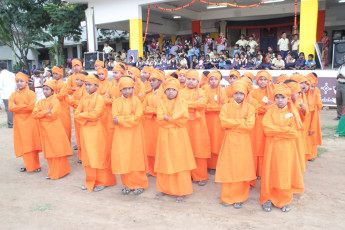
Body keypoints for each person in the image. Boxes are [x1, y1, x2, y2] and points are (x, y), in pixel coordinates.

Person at [260, 83, 304, 213]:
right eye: (277, 97)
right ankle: (267, 198)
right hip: (272, 148)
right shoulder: (270, 111)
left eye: (282, 97)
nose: (280, 100)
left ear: (288, 99)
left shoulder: (293, 112)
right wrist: (284, 131)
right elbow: (267, 130)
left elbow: (294, 132)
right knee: (270, 173)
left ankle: (284, 200)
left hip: (287, 149)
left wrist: (277, 133)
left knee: (285, 174)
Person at [155, 78, 196, 202]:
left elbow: (183, 120)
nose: (171, 92)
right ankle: (164, 188)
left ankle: (181, 191)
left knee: (179, 162)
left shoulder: (182, 102)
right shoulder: (161, 102)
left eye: (173, 90)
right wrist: (173, 121)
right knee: (165, 160)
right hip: (164, 136)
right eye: (168, 90)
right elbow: (160, 119)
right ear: (165, 91)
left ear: (178, 91)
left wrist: (170, 120)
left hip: (178, 137)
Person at [216, 80, 256, 209]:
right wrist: (241, 122)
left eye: (241, 93)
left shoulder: (250, 108)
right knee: (229, 167)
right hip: (229, 142)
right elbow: (223, 123)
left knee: (241, 168)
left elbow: (250, 126)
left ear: (245, 95)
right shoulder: (226, 107)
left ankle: (240, 197)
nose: (238, 96)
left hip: (244, 143)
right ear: (232, 94)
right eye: (236, 93)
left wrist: (232, 124)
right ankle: (227, 197)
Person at [75, 74, 116, 192]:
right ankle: (90, 180)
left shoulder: (100, 99)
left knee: (99, 156)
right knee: (87, 157)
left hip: (98, 132)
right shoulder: (83, 99)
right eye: (86, 85)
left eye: (89, 85)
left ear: (96, 86)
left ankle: (104, 181)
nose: (87, 87)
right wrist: (88, 117)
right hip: (85, 132)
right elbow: (77, 114)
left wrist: (85, 116)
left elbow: (96, 114)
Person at [111, 77, 148, 195]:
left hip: (135, 134)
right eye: (125, 89)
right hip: (121, 136)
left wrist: (121, 120)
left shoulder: (137, 101)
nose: (127, 91)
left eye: (130, 88)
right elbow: (114, 118)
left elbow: (137, 118)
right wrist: (127, 119)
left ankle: (139, 184)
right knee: (124, 158)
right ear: (120, 90)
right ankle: (127, 184)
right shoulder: (116, 102)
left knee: (135, 158)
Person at [33, 80, 72, 179]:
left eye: (47, 89)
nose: (45, 91)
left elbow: (53, 115)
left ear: (52, 91)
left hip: (54, 129)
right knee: (50, 151)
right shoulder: (41, 102)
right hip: (45, 130)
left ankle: (59, 172)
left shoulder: (55, 101)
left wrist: (42, 114)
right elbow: (34, 114)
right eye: (44, 89)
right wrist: (45, 112)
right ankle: (53, 171)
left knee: (57, 150)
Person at [180, 70, 211, 186]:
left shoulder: (202, 92)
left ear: (198, 81)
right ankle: (186, 175)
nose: (191, 81)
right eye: (189, 79)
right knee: (185, 150)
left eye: (193, 79)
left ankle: (200, 176)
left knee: (199, 150)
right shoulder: (181, 92)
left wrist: (187, 104)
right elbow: (180, 105)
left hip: (198, 126)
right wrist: (194, 104)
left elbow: (202, 105)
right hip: (184, 125)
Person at [9, 72, 41, 173]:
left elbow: (31, 107)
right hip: (19, 123)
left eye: (21, 81)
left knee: (31, 143)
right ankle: (28, 165)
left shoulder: (31, 94)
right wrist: (23, 106)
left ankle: (35, 166)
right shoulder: (13, 94)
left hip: (30, 122)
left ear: (26, 83)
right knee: (23, 143)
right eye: (17, 81)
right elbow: (10, 108)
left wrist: (17, 107)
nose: (19, 83)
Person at [250, 70, 275, 178]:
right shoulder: (253, 93)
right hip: (256, 123)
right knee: (255, 146)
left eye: (265, 80)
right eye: (261, 79)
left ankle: (263, 171)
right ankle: (254, 171)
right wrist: (267, 107)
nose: (263, 82)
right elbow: (253, 108)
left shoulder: (272, 93)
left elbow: (275, 107)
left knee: (265, 147)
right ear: (257, 81)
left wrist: (265, 108)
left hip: (268, 123)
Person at [204, 71, 228, 174]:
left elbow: (224, 106)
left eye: (216, 79)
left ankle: (216, 165)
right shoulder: (204, 90)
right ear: (208, 80)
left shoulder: (222, 92)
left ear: (219, 80)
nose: (213, 81)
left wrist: (210, 106)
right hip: (206, 120)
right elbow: (203, 106)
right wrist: (216, 106)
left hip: (218, 121)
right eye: (211, 79)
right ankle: (208, 165)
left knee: (217, 142)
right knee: (208, 141)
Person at [142, 69, 165, 177]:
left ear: (160, 82)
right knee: (149, 147)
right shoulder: (148, 95)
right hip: (149, 124)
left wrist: (150, 110)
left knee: (159, 148)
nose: (151, 82)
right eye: (151, 80)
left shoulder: (165, 94)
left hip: (159, 125)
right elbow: (143, 109)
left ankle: (159, 169)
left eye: (154, 80)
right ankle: (150, 169)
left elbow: (162, 110)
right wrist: (153, 110)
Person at [68, 72, 87, 160]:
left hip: (82, 116)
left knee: (83, 136)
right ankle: (81, 155)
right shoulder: (77, 90)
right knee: (78, 135)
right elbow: (70, 101)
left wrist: (75, 103)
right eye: (76, 79)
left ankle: (84, 155)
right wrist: (76, 103)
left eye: (78, 80)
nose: (76, 81)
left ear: (83, 81)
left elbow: (83, 103)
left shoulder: (85, 90)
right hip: (76, 115)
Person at [52, 66, 72, 142]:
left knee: (65, 126)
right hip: (54, 108)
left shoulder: (63, 84)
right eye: (53, 73)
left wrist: (53, 94)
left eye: (56, 73)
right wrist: (56, 93)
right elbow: (47, 94)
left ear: (60, 74)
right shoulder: (51, 83)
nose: (54, 75)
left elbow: (60, 96)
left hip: (63, 108)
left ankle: (66, 146)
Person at [306, 73, 323, 161]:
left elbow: (320, 105)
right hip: (307, 116)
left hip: (314, 116)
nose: (311, 88)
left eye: (312, 86)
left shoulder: (316, 91)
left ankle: (312, 154)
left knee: (313, 134)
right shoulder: (304, 93)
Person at [0, 63, 16, 128]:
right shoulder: (12, 74)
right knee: (13, 109)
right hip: (13, 93)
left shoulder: (1, 75)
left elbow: (0, 87)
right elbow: (16, 84)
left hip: (5, 94)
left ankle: (10, 123)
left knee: (8, 109)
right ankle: (14, 122)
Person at [335, 54, 345, 120]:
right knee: (338, 100)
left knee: (344, 101)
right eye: (344, 57)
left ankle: (343, 116)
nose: (344, 59)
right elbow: (337, 76)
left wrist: (341, 76)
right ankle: (339, 115)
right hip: (339, 84)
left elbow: (340, 76)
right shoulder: (341, 67)